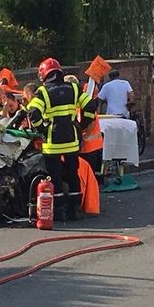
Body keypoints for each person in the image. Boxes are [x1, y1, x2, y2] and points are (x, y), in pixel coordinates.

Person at [25, 58, 96, 221]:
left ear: (43, 75)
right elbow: (90, 105)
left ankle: (57, 211)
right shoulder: (73, 88)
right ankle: (75, 210)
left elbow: (33, 112)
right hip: (71, 140)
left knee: (54, 176)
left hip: (52, 142)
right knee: (73, 174)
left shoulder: (43, 92)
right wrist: (81, 124)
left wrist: (42, 128)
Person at [65, 75, 104, 184]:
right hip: (89, 146)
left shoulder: (81, 102)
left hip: (89, 147)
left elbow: (90, 121)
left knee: (88, 178)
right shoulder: (80, 101)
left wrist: (82, 137)